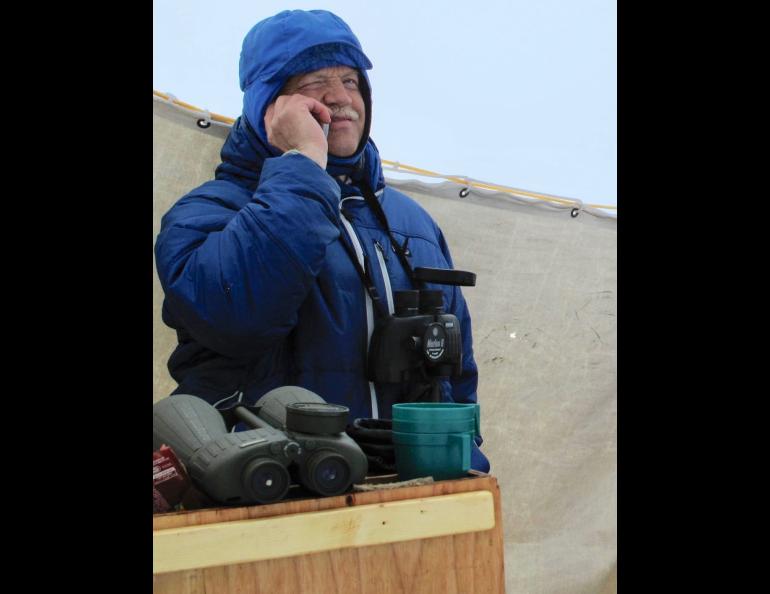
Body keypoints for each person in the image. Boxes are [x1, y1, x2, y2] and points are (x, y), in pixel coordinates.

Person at [154, 9, 489, 472]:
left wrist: (460, 462)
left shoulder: (412, 222)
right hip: (270, 490)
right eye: (316, 82)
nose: (341, 97)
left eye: (352, 81)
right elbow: (236, 317)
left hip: (405, 495)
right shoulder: (206, 214)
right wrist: (304, 162)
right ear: (269, 103)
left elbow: (456, 372)